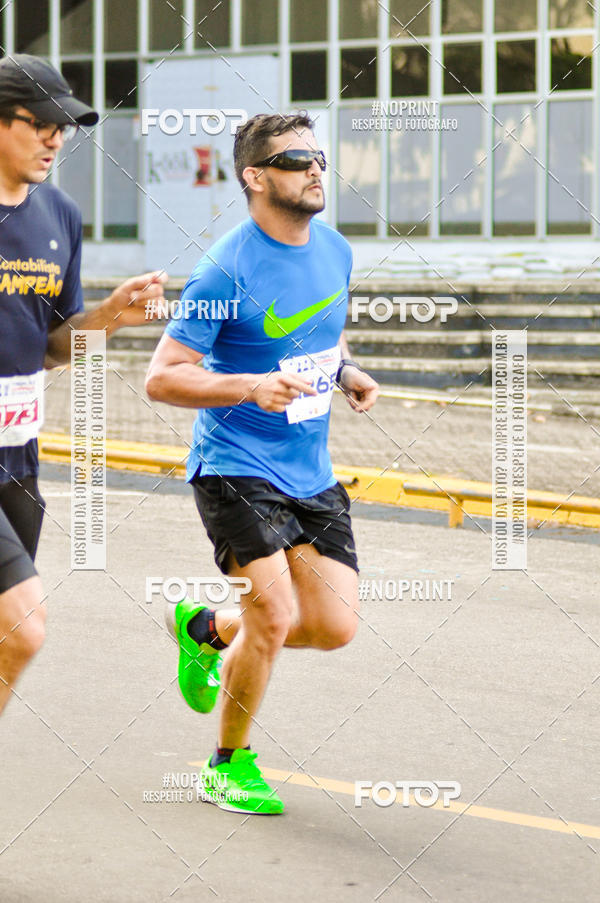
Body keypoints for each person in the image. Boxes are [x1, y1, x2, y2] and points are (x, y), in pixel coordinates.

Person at [145, 112, 378, 815]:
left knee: (335, 625)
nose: (315, 170)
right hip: (234, 463)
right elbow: (163, 376)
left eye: (318, 158)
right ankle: (227, 762)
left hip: (309, 467)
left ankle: (205, 629)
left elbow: (312, 336)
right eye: (295, 159)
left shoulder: (335, 250)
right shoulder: (225, 268)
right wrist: (247, 387)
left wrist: (346, 371)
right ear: (254, 176)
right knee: (272, 613)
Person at [0, 54, 167, 715]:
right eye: (39, 122)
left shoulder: (60, 216)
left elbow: (50, 347)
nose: (54, 138)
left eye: (63, 126)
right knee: (25, 623)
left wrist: (110, 318)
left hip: (19, 458)